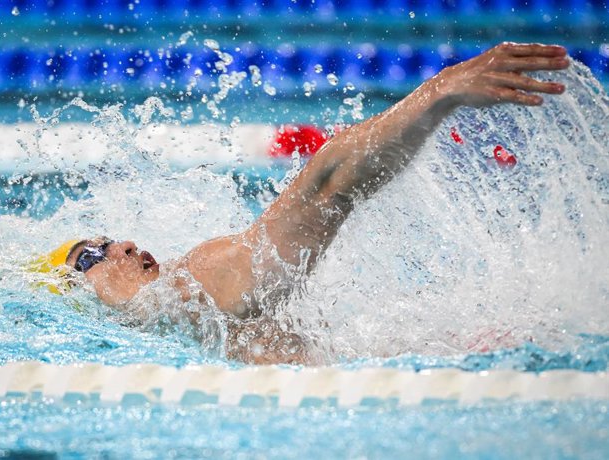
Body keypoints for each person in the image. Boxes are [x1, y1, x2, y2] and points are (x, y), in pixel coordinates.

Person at [35, 43, 571, 364]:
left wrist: (440, 91)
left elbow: (328, 185)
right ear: (76, 298)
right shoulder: (166, 325)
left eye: (111, 238)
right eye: (91, 255)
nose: (124, 245)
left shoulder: (196, 282)